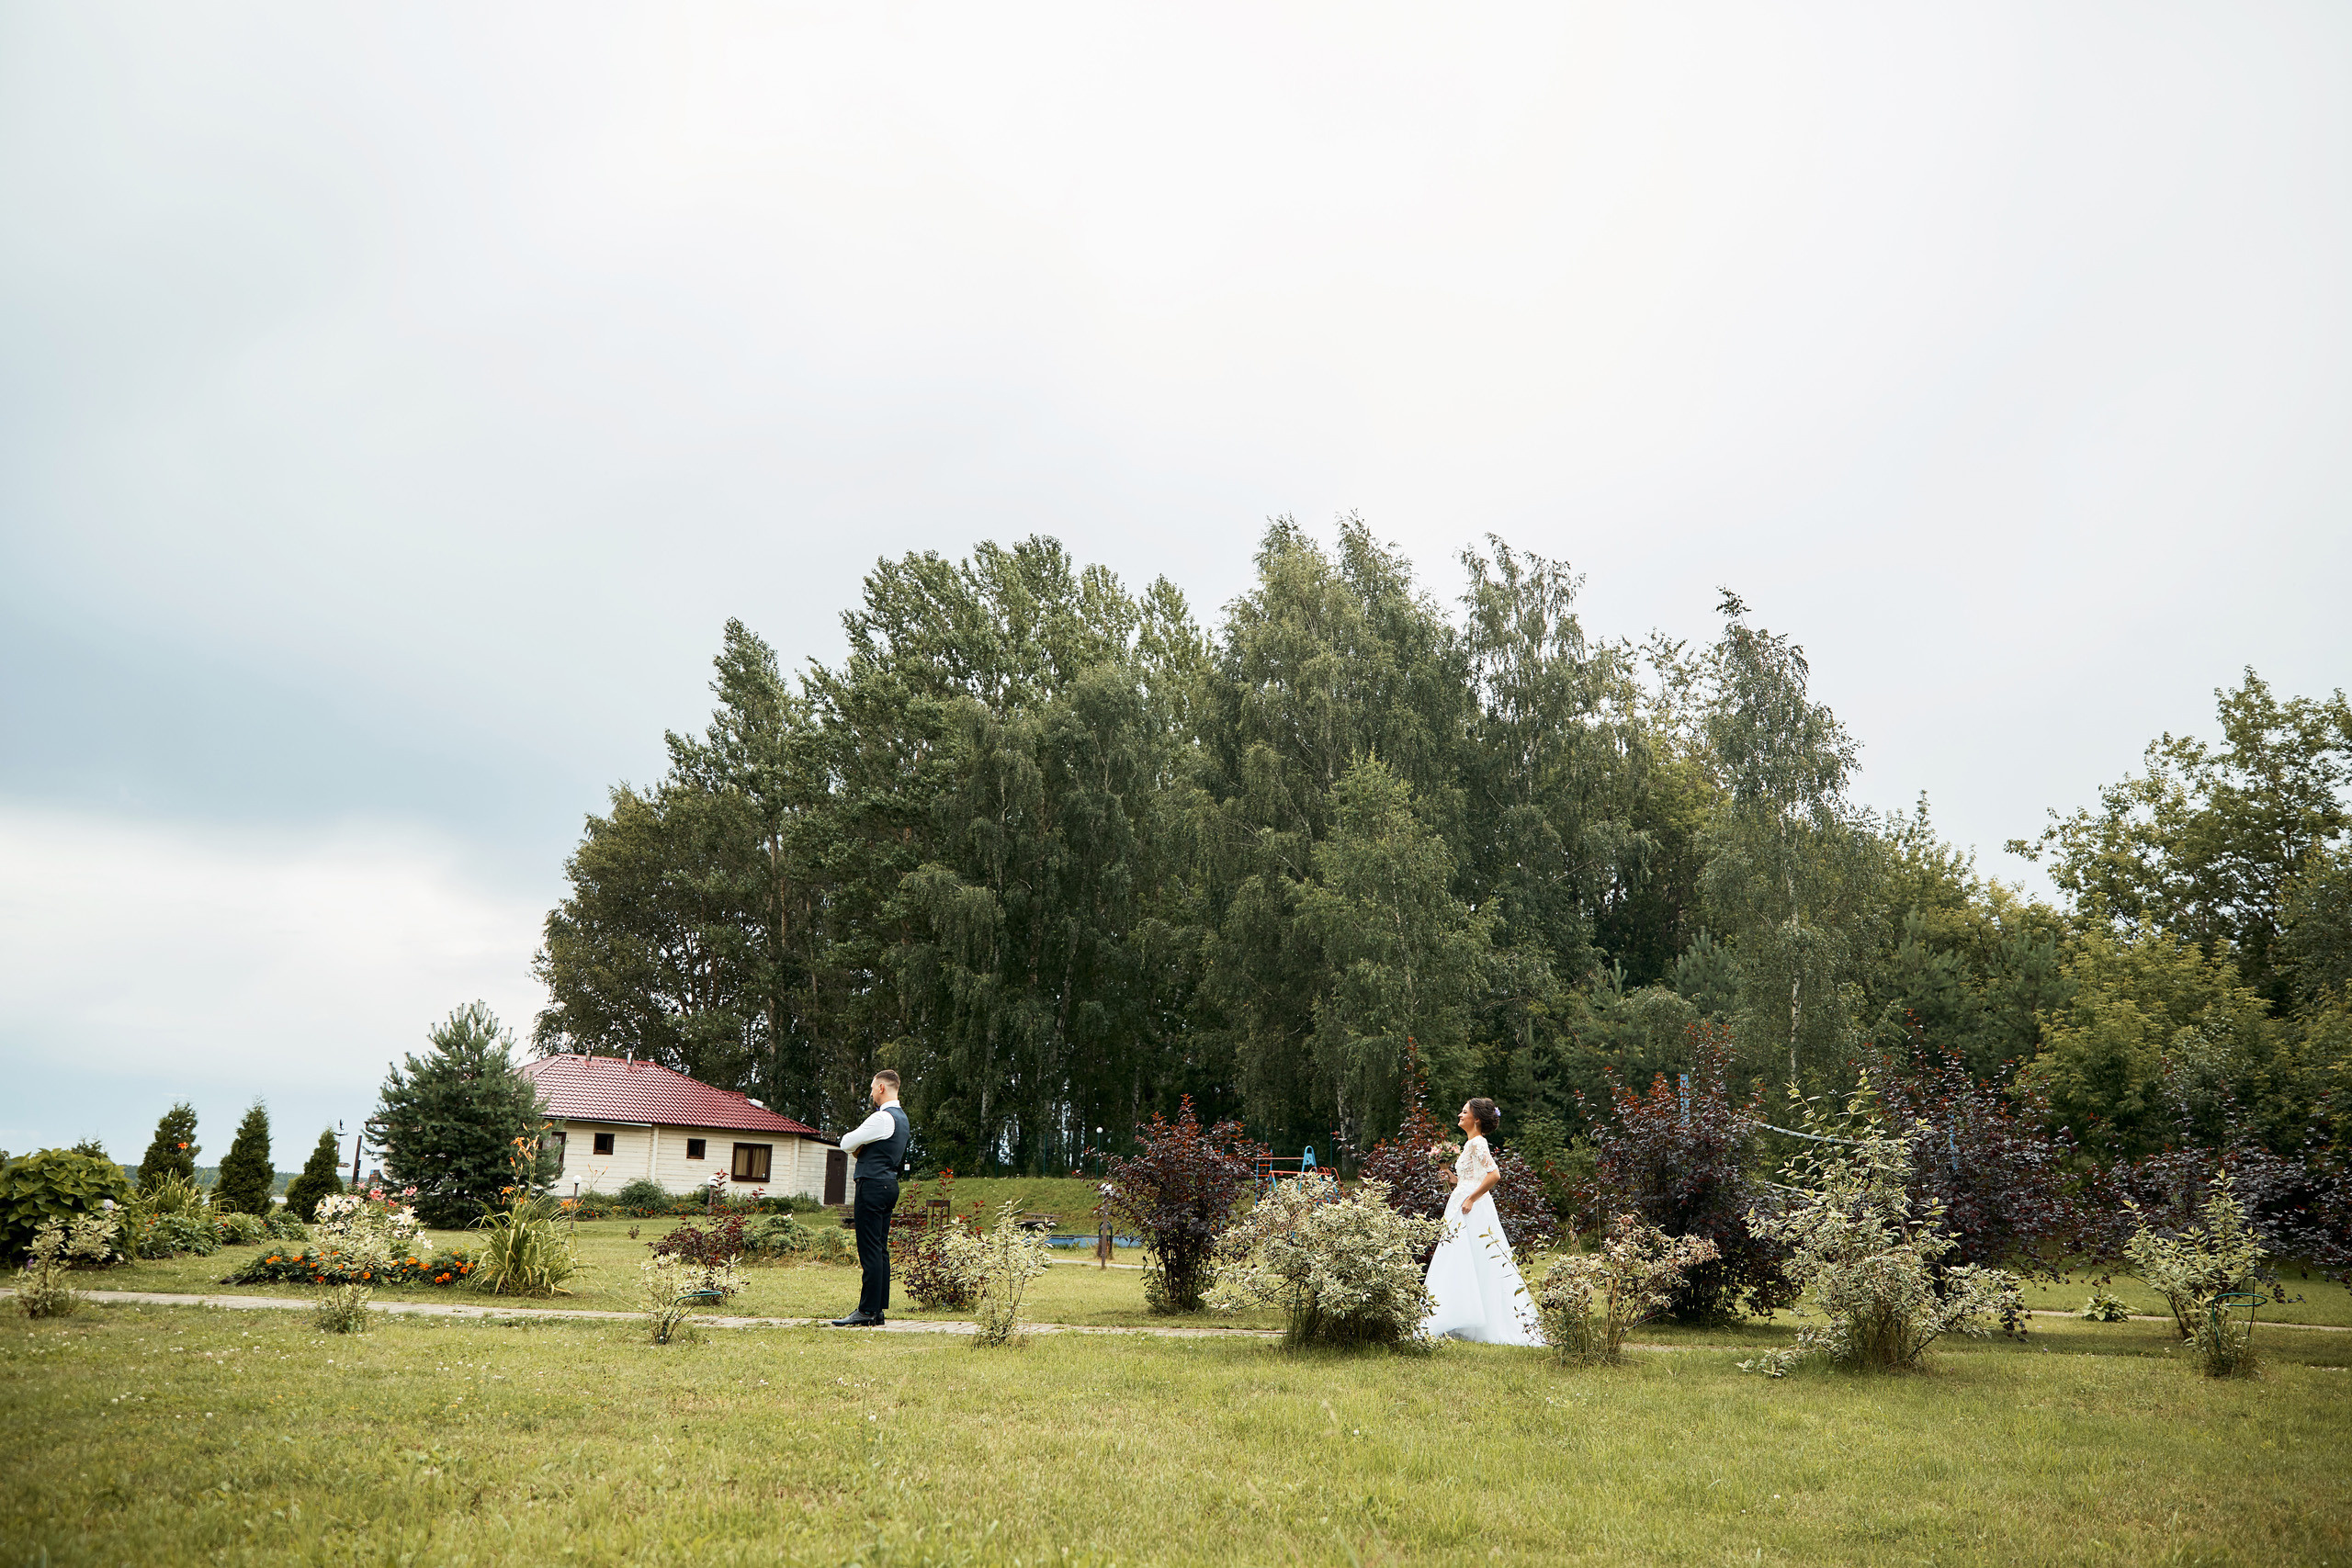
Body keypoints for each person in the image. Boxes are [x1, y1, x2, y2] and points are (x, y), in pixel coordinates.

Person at [1419, 1097, 1541, 1346]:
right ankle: (1459, 1315)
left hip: (1472, 1207)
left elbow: (1494, 1174)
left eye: (1464, 1112)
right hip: (1462, 1203)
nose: (1459, 1115)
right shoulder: (1470, 1145)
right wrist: (1451, 1176)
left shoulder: (1478, 1144)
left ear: (1476, 1119)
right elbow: (1469, 1178)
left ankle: (1480, 1320)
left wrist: (1472, 1198)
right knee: (1462, 1258)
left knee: (1476, 1258)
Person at [829, 1069, 910, 1327]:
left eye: (873, 1088)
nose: (871, 1093)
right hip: (889, 1184)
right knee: (880, 1248)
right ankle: (877, 1310)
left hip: (872, 1186)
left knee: (870, 1249)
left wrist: (857, 1148)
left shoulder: (882, 1118)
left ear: (883, 1088)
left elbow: (846, 1142)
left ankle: (865, 1311)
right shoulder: (902, 1118)